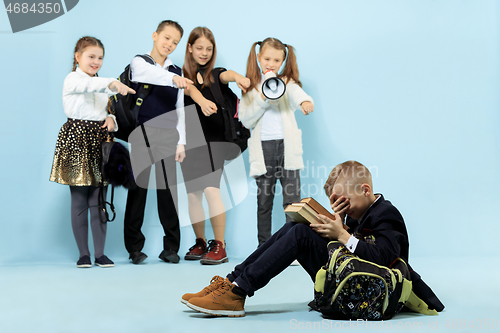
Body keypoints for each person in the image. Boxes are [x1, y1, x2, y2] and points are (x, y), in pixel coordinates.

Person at [181, 160, 443, 317]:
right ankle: (232, 283)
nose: (342, 207)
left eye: (344, 201)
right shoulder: (354, 215)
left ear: (365, 190)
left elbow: (385, 258)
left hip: (374, 289)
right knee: (297, 225)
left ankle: (237, 291)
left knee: (300, 233)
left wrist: (341, 234)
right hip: (352, 279)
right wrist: (337, 226)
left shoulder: (387, 213)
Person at [50, 36, 135, 268]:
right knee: (79, 199)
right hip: (77, 140)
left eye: (100, 58)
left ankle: (100, 254)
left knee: (99, 199)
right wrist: (113, 84)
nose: (96, 61)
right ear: (78, 57)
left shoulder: (100, 83)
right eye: (91, 56)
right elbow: (88, 86)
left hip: (100, 141)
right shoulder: (73, 79)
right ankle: (83, 254)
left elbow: (109, 110)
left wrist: (112, 119)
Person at [124, 20, 193, 265]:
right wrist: (173, 80)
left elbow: (179, 108)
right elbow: (148, 74)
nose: (170, 45)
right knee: (138, 190)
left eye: (175, 42)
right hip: (142, 132)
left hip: (168, 136)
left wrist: (181, 142)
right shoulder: (140, 62)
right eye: (166, 38)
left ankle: (171, 248)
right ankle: (134, 248)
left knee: (168, 193)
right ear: (155, 36)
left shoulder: (177, 71)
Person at [180, 27, 250, 265]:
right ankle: (201, 242)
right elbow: (187, 88)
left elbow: (227, 75)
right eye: (199, 48)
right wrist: (199, 101)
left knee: (211, 190)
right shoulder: (180, 76)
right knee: (192, 195)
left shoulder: (215, 74)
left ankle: (219, 245)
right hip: (190, 143)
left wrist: (239, 78)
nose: (204, 53)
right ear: (190, 48)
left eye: (209, 49)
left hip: (215, 142)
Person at [238, 37, 314, 246]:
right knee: (264, 201)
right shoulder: (250, 87)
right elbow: (245, 119)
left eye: (276, 61)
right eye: (267, 59)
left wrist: (305, 101)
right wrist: (263, 98)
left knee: (292, 201)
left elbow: (296, 93)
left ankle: (293, 246)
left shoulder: (286, 83)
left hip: (287, 148)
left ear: (282, 62)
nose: (271, 64)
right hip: (263, 149)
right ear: (259, 57)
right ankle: (264, 246)